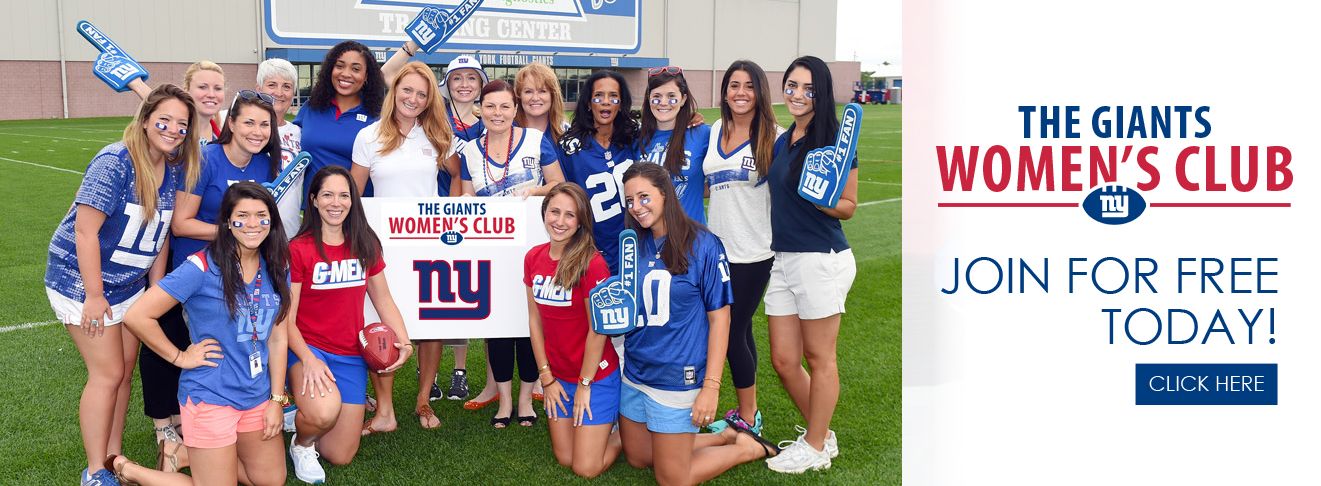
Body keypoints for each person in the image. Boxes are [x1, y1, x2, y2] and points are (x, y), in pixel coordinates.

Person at [45, 84, 200, 486]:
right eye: (164, 120)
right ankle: (94, 471)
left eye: (182, 125)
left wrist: (156, 288)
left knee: (126, 370)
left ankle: (112, 456)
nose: (172, 130)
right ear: (146, 118)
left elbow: (162, 234)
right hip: (81, 279)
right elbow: (84, 232)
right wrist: (94, 296)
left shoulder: (174, 165)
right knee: (108, 372)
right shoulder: (115, 161)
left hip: (129, 283)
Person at [108, 181, 291, 486]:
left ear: (272, 221)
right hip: (212, 394)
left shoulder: (275, 265)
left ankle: (181, 454)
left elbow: (278, 336)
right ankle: (129, 470)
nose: (252, 224)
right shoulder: (202, 266)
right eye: (242, 215)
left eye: (261, 215)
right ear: (226, 222)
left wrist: (276, 399)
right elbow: (138, 316)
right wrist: (179, 356)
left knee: (271, 481)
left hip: (256, 394)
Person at [618, 163, 779, 486]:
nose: (636, 207)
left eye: (644, 197)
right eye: (630, 200)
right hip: (636, 371)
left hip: (678, 375)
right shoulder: (633, 243)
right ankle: (723, 437)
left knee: (672, 478)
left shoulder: (703, 244)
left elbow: (721, 319)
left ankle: (745, 447)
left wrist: (711, 387)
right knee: (637, 457)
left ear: (665, 194)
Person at [284, 165, 413, 483]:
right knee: (323, 413)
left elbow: (383, 300)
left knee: (340, 455)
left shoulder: (364, 243)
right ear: (313, 200)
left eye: (344, 195)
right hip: (309, 349)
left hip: (350, 354)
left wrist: (405, 342)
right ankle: (301, 443)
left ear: (353, 201)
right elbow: (286, 318)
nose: (335, 202)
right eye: (327, 194)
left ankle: (301, 415)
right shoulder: (298, 249)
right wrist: (308, 359)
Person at [350, 61, 460, 433]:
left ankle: (423, 400)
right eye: (407, 90)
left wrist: (454, 216)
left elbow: (457, 174)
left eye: (422, 93)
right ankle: (385, 411)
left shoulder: (437, 134)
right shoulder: (369, 136)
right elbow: (353, 192)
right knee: (381, 323)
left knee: (430, 324)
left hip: (429, 245)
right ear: (393, 91)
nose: (413, 98)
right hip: (381, 247)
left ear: (430, 99)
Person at [763, 55, 859, 474]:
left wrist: (820, 197)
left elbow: (849, 206)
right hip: (784, 257)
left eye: (808, 89)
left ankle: (816, 445)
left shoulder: (833, 139)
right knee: (784, 360)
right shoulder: (785, 139)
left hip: (820, 257)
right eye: (791, 86)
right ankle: (821, 433)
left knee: (821, 358)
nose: (798, 95)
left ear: (821, 93)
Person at [455, 79, 566, 428]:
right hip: (494, 250)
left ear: (515, 110)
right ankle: (504, 400)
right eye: (490, 107)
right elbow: (468, 199)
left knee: (531, 320)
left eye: (504, 106)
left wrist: (537, 191)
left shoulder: (535, 141)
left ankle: (525, 399)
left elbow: (561, 187)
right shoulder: (470, 151)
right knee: (499, 325)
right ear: (480, 110)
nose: (497, 113)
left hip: (536, 245)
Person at [701, 60, 784, 437]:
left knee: (730, 331)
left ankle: (749, 418)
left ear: (760, 92)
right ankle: (747, 412)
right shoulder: (716, 128)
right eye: (734, 85)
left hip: (753, 252)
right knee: (742, 328)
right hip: (717, 248)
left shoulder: (775, 136)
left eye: (749, 86)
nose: (740, 92)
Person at [525, 183, 620, 477]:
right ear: (545, 212)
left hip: (595, 375)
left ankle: (626, 434)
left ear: (580, 223)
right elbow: (534, 320)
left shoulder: (593, 264)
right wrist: (546, 378)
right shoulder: (533, 258)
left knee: (586, 467)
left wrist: (585, 384)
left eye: (570, 215)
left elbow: (598, 330)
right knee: (565, 457)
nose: (560, 221)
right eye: (555, 211)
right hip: (558, 376)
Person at [557, 70, 639, 275]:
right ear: (588, 103)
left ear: (621, 104)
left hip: (634, 248)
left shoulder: (634, 139)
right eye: (599, 96)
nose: (606, 102)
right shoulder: (570, 147)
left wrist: (690, 117)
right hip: (591, 252)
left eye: (613, 97)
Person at [294, 41, 386, 197]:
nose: (346, 73)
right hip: (315, 210)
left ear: (366, 77)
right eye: (340, 66)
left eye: (356, 69)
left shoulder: (377, 117)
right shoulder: (311, 108)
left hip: (359, 210)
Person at [637, 66, 711, 224]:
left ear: (683, 99)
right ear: (648, 99)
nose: (663, 103)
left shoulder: (703, 134)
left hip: (692, 240)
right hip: (651, 241)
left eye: (671, 96)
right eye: (656, 96)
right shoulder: (636, 138)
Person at [131, 61, 226, 145]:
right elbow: (159, 103)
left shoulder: (223, 130)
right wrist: (137, 84)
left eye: (218, 88)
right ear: (186, 90)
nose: (211, 94)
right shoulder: (174, 129)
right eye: (202, 87)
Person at [514, 62, 569, 142]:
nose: (535, 98)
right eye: (528, 91)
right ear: (519, 95)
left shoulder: (567, 133)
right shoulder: (506, 132)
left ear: (553, 95)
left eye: (542, 91)